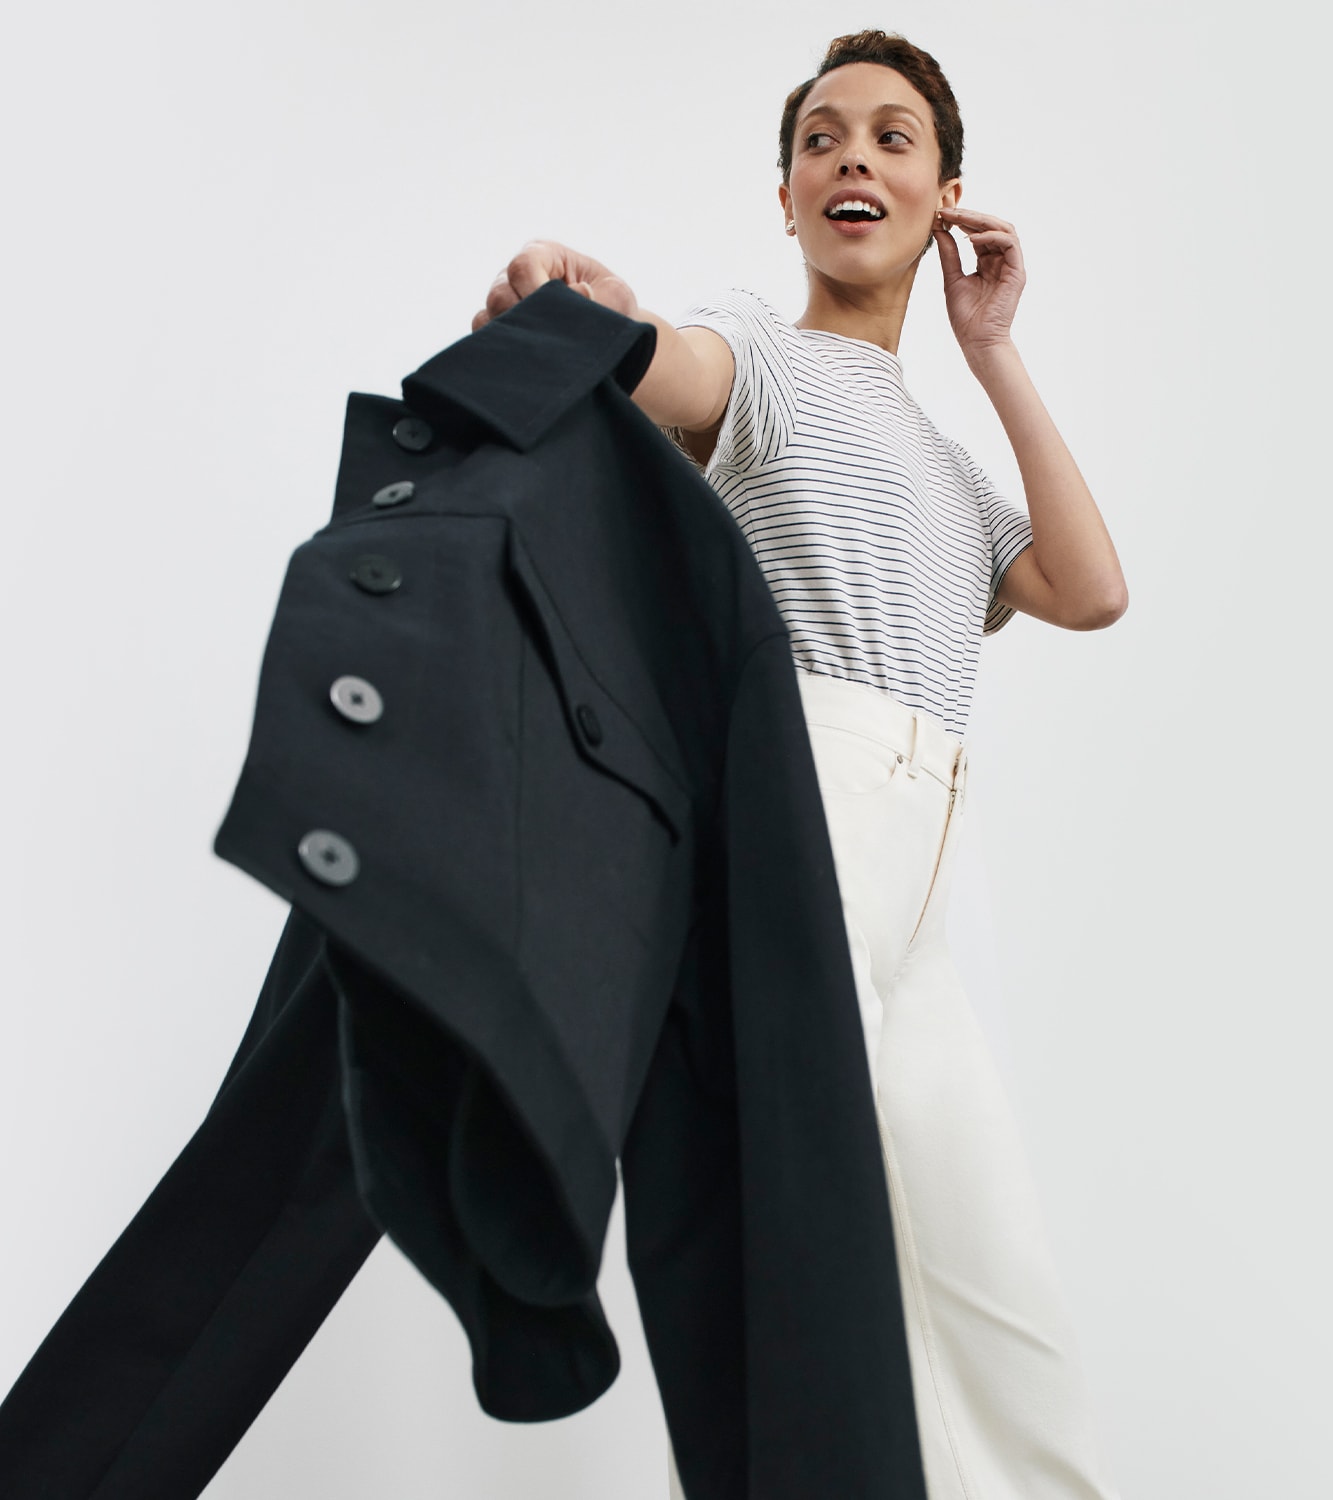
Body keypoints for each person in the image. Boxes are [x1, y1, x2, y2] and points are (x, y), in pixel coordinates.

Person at [475, 29, 1128, 1500]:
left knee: (995, 1301)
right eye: (823, 139)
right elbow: (665, 366)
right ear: (785, 197)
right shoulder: (758, 354)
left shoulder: (954, 465)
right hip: (799, 825)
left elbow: (1089, 588)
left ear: (947, 196)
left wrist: (993, 347)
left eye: (894, 139)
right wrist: (593, 319)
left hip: (917, 913)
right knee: (812, 1283)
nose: (854, 159)